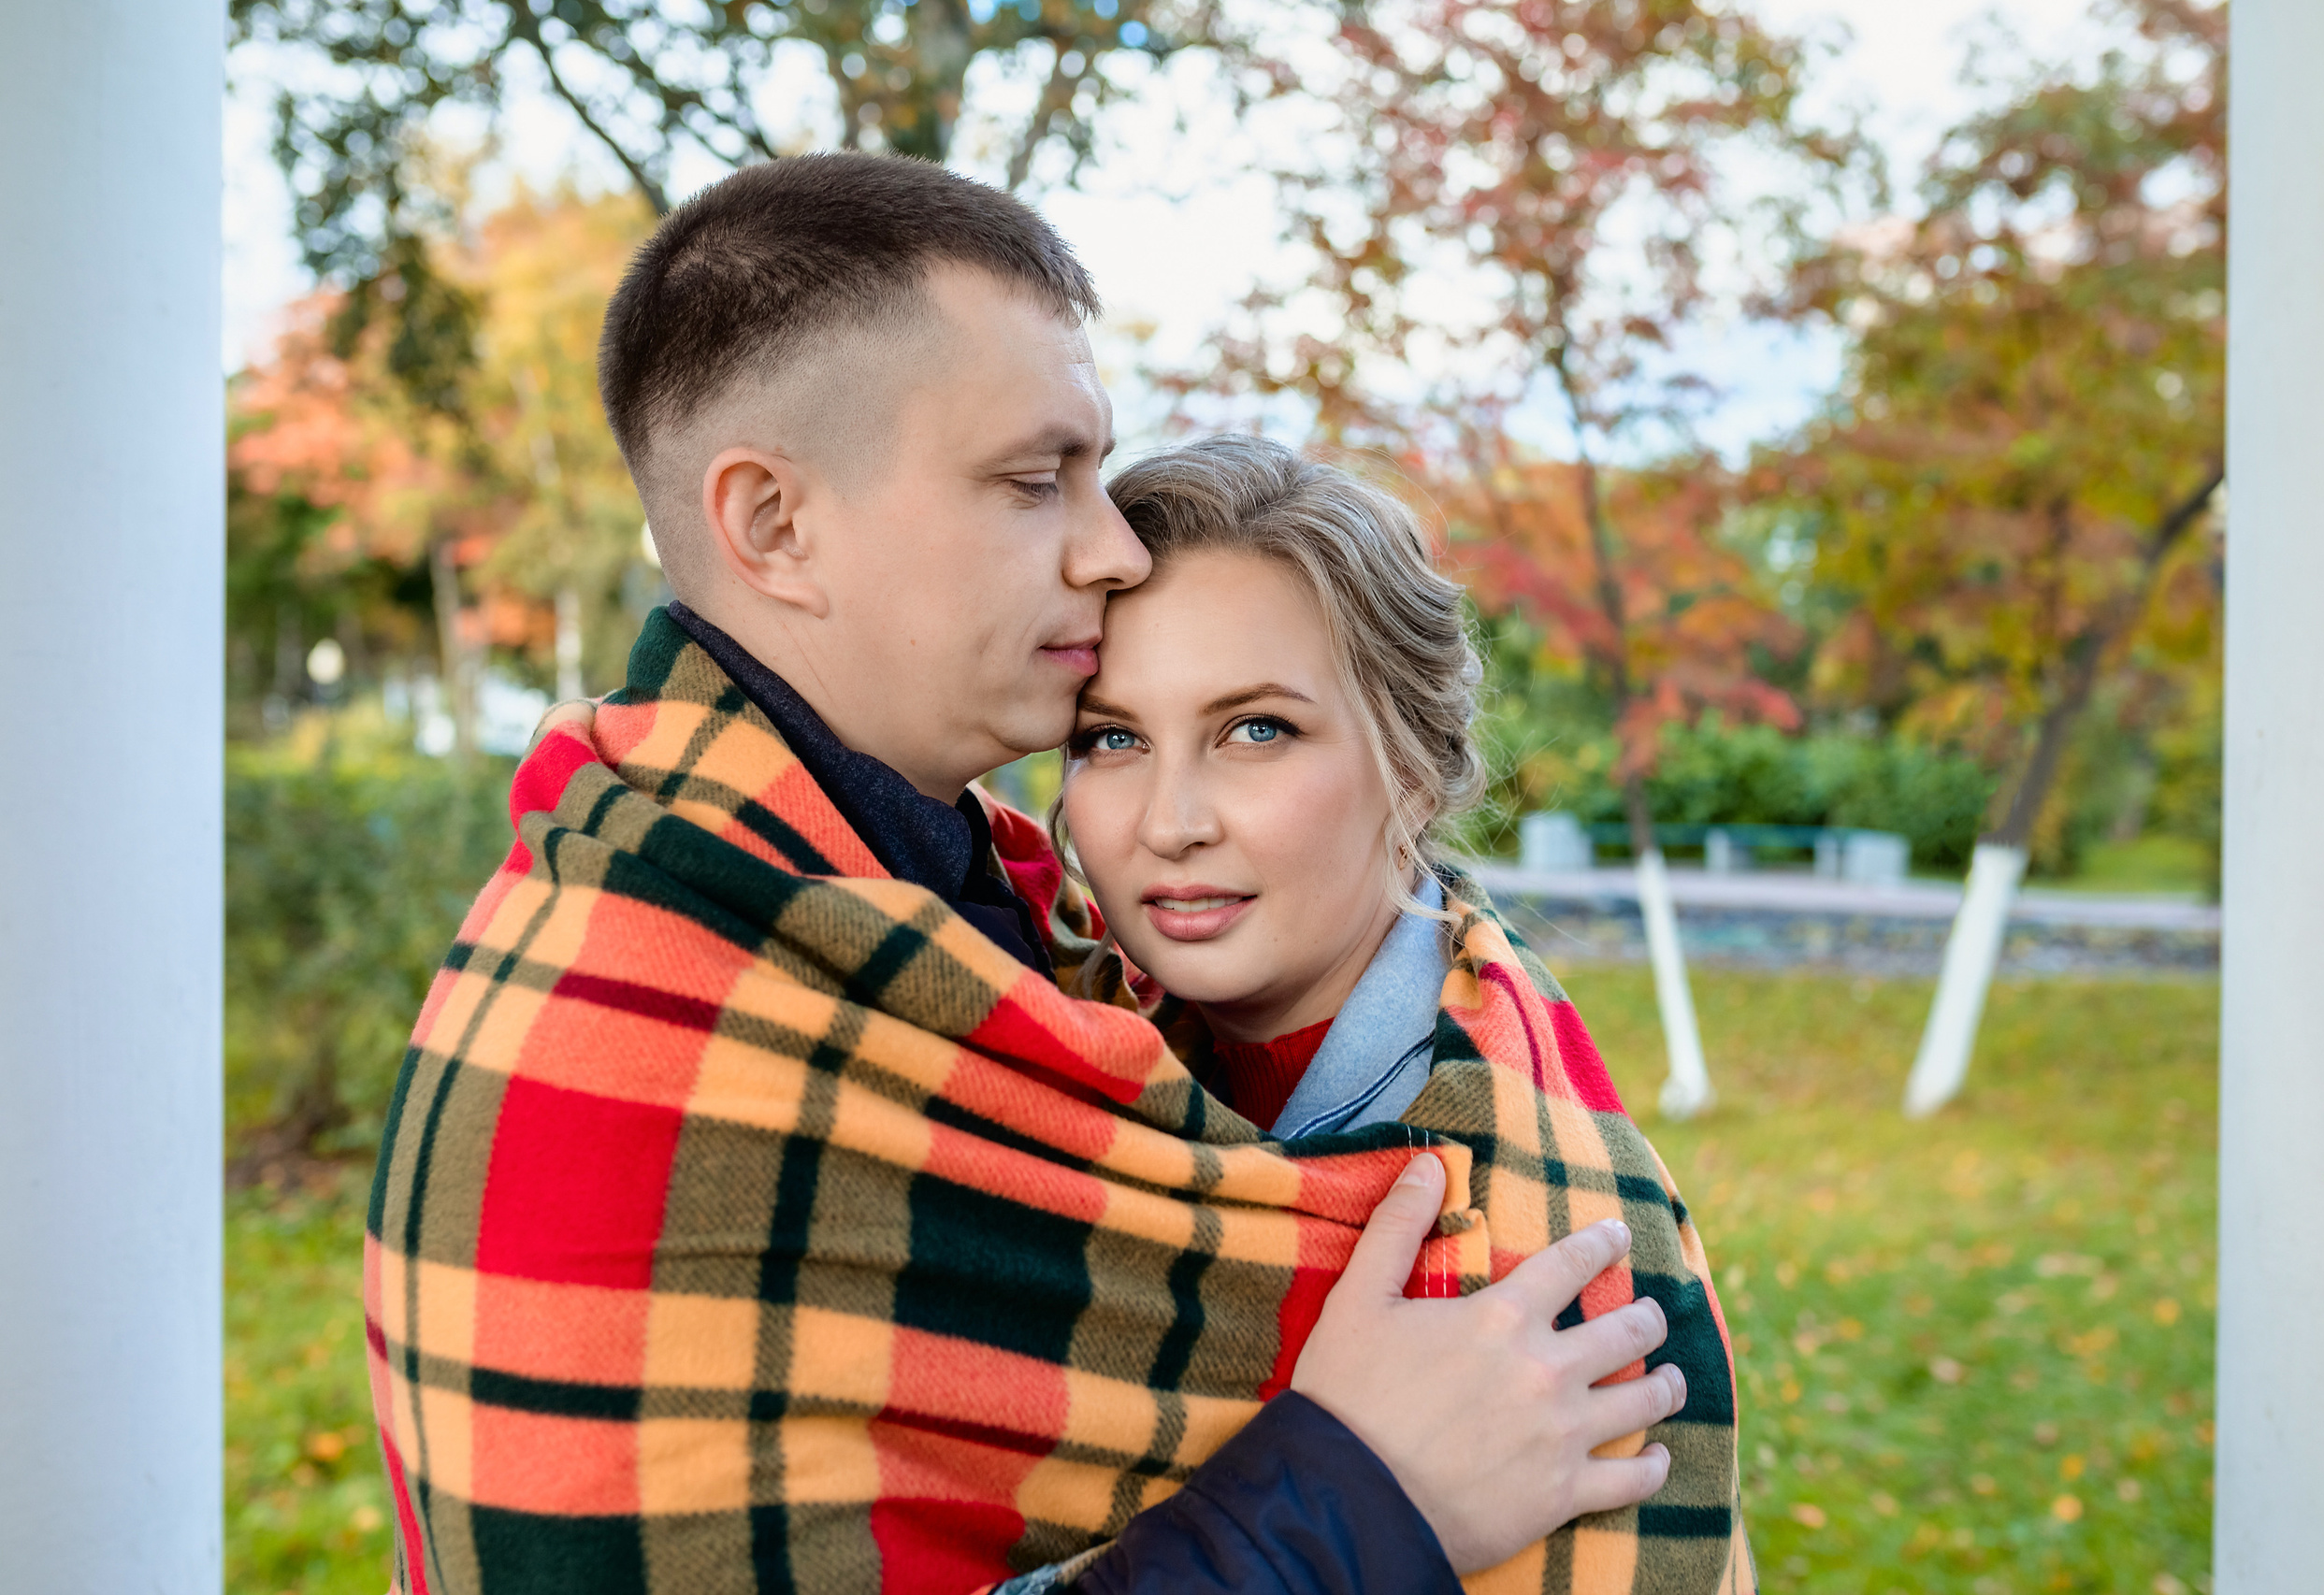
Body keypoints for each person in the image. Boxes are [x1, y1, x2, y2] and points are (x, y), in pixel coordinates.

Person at [363, 151, 1686, 1595]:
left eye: (1097, 473)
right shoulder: (626, 1028)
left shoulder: (981, 914)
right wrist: (1344, 1504)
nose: (1112, 546)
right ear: (774, 527)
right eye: (1031, 479)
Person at [1055, 436, 1751, 1591]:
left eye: (1255, 728)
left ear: (1415, 769)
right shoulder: (1115, 1042)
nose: (1167, 820)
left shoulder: (1510, 1224)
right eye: (1111, 737)